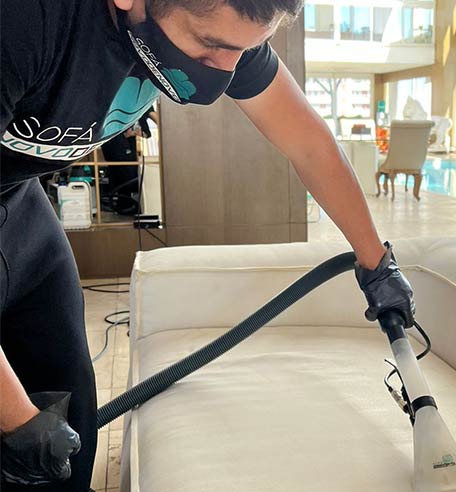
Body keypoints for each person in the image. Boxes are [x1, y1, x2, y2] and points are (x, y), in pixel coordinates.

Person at [0, 1, 416, 490]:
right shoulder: (25, 22)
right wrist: (17, 420)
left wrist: (376, 262)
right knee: (26, 435)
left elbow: (309, 144)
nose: (227, 71)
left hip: (18, 203)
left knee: (67, 403)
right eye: (209, 45)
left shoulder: (225, 23)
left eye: (246, 50)